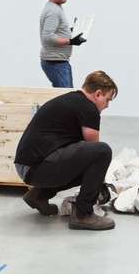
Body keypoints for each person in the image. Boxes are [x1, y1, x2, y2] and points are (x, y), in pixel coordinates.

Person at [14, 70, 117, 230]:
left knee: (86, 164)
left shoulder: (71, 100)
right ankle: (83, 214)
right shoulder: (88, 108)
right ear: (98, 94)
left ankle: (38, 195)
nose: (107, 105)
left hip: (27, 167)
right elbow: (94, 149)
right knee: (103, 152)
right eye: (107, 100)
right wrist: (99, 185)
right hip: (36, 167)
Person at [39, 0, 86, 88]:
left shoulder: (55, 7)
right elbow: (47, 37)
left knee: (65, 97)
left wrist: (70, 31)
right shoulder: (53, 11)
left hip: (58, 61)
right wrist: (70, 41)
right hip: (55, 62)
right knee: (65, 97)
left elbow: (55, 31)